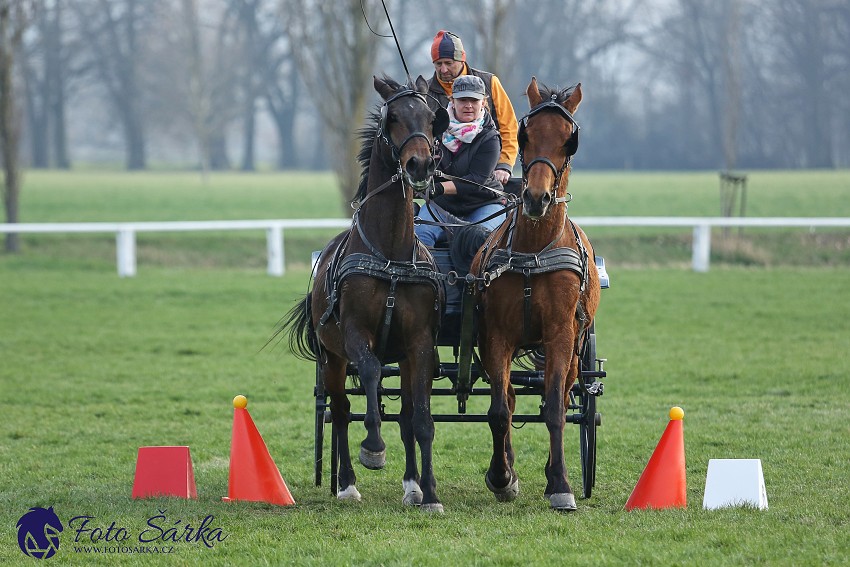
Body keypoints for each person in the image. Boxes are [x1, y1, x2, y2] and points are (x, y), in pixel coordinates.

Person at [415, 75, 506, 249]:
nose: (469, 105)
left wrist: (438, 188)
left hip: (484, 204)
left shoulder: (490, 137)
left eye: (474, 100)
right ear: (452, 100)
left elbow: (476, 180)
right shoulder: (435, 129)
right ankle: (425, 275)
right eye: (463, 100)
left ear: (483, 103)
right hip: (443, 205)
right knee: (420, 235)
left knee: (478, 242)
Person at [426, 30, 518, 186]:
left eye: (449, 63)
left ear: (462, 59)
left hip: (487, 177)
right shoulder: (424, 92)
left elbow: (508, 127)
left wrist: (504, 165)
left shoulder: (490, 83)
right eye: (438, 64)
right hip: (441, 181)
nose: (443, 69)